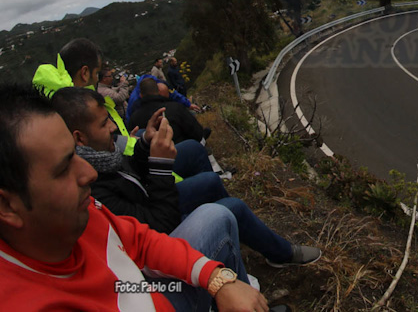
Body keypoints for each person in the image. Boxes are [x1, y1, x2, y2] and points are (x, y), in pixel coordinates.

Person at [0, 83, 271, 311]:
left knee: (217, 211)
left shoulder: (84, 213)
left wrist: (216, 279)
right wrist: (161, 166)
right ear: (6, 205)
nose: (88, 174)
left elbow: (140, 241)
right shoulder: (26, 300)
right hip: (142, 284)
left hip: (132, 286)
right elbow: (160, 222)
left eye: (75, 155)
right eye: (63, 168)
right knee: (221, 210)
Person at [51, 86, 322, 270]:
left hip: (151, 204)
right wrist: (159, 165)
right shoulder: (88, 185)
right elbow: (158, 226)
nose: (113, 127)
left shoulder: (97, 156)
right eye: (103, 124)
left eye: (109, 118)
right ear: (79, 137)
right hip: (155, 245)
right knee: (230, 209)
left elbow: (131, 176)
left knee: (209, 180)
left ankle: (231, 238)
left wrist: (146, 143)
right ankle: (279, 255)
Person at [128, 79, 208, 144]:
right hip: (182, 153)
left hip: (153, 160)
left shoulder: (134, 118)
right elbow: (197, 133)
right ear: (158, 91)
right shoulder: (176, 108)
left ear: (140, 95)